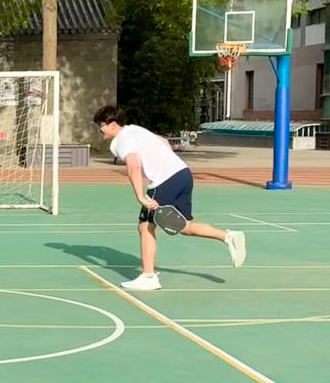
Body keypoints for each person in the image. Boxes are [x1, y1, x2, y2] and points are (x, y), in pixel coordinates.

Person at [93, 105, 246, 291]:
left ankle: (148, 277)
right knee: (184, 226)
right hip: (183, 173)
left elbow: (133, 166)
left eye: (101, 126)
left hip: (165, 180)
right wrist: (165, 162)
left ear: (113, 124)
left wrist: (141, 196)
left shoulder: (120, 141)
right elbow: (164, 141)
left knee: (145, 226)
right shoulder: (135, 129)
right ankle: (228, 236)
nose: (99, 130)